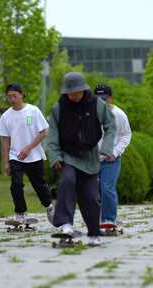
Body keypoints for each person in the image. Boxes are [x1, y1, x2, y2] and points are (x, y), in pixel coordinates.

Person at [47, 72, 116, 246]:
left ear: (83, 89)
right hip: (68, 155)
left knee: (91, 196)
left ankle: (94, 233)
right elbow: (52, 135)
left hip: (90, 157)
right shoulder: (59, 108)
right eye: (70, 93)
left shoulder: (97, 105)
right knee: (67, 181)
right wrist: (55, 156)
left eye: (77, 92)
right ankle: (65, 225)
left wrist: (106, 148)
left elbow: (110, 126)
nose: (74, 95)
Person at [0, 83, 54, 224]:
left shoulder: (33, 111)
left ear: (22, 94)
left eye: (14, 96)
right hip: (15, 157)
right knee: (15, 185)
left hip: (34, 156)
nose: (12, 99)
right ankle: (20, 213)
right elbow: (5, 139)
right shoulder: (6, 116)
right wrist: (5, 162)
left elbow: (43, 133)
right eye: (9, 97)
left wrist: (28, 148)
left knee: (39, 185)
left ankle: (49, 206)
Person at [94, 84, 132, 228]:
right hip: (93, 160)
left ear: (110, 98)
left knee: (107, 188)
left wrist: (115, 152)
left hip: (111, 160)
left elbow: (126, 135)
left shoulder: (119, 115)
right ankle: (97, 219)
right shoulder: (90, 114)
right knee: (94, 192)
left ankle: (109, 219)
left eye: (104, 99)